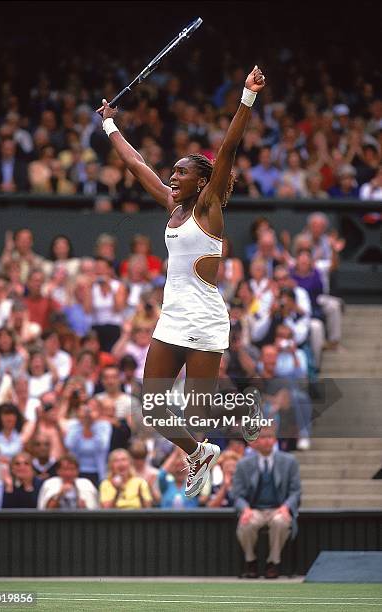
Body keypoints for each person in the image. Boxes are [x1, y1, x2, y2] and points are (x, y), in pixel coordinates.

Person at [98, 65, 266, 498]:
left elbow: (228, 147)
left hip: (205, 318)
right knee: (153, 409)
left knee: (196, 410)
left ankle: (240, 412)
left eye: (180, 173)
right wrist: (110, 123)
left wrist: (247, 97)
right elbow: (136, 165)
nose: (172, 178)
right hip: (172, 317)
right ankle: (199, 453)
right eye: (171, 173)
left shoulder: (209, 207)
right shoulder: (172, 207)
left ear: (202, 181)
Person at [233, 425, 301, 579]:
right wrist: (245, 509)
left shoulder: (289, 462)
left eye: (270, 437)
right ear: (255, 441)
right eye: (263, 437)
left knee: (281, 521)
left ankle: (273, 563)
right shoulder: (243, 464)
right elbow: (237, 495)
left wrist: (286, 507)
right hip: (255, 509)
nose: (267, 441)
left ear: (275, 440)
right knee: (246, 523)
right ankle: (251, 561)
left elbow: (296, 491)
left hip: (278, 508)